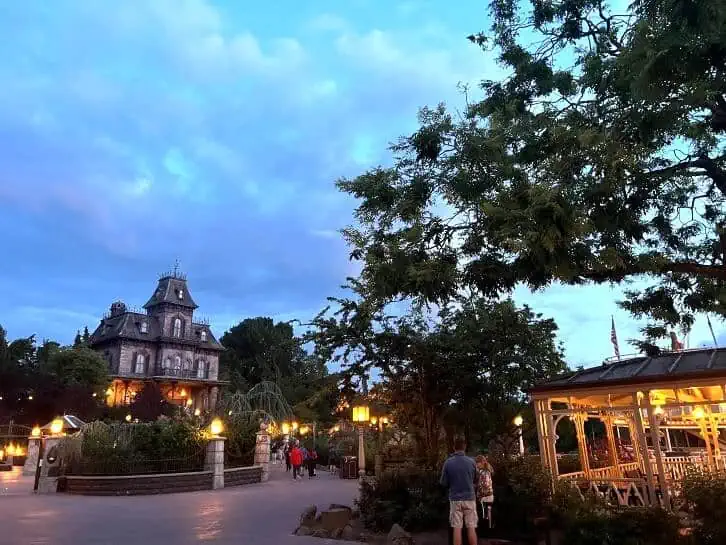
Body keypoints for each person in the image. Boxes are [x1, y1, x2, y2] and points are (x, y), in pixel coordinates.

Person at [440, 437, 478, 545]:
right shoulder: (472, 462)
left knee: (457, 528)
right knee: (471, 527)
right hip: (470, 498)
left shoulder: (448, 463)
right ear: (465, 446)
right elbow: (476, 480)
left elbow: (443, 482)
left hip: (455, 499)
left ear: (454, 447)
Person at [475, 455, 494, 529]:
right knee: (487, 513)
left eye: (477, 463)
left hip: (484, 496)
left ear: (481, 462)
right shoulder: (487, 470)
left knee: (484, 515)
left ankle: (486, 529)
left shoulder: (484, 472)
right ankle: (488, 527)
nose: (476, 465)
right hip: (488, 495)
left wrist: (477, 488)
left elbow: (485, 484)